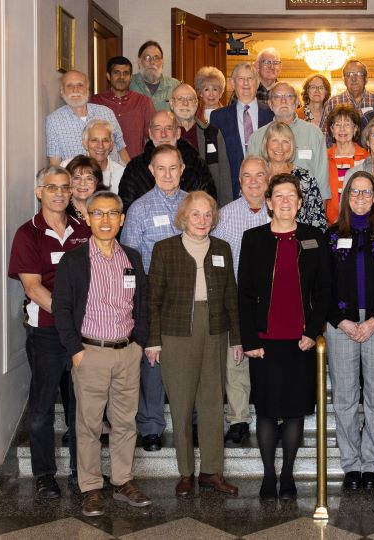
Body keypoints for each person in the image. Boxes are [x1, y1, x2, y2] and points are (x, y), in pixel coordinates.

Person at [52, 190, 150, 517]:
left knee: (125, 422)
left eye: (112, 214)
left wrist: (138, 343)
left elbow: (143, 305)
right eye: (98, 214)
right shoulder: (74, 260)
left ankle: (123, 480)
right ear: (88, 218)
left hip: (126, 352)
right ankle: (91, 487)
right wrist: (75, 352)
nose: (105, 220)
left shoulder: (132, 258)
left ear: (122, 220)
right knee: (89, 425)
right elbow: (62, 309)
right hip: (90, 353)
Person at [238, 174, 330, 501]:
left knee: (293, 411)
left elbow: (324, 293)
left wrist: (312, 331)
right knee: (265, 410)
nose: (286, 202)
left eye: (292, 196)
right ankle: (267, 476)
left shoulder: (314, 238)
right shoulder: (254, 239)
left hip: (300, 342)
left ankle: (288, 475)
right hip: (264, 341)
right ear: (269, 202)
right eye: (279, 196)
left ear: (301, 203)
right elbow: (245, 294)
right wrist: (249, 340)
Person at [147, 191, 241, 498]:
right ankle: (186, 472)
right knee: (182, 404)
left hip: (215, 331)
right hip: (176, 335)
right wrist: (153, 340)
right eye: (195, 214)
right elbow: (154, 299)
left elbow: (231, 297)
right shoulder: (165, 249)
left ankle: (212, 471)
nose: (202, 220)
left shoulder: (222, 248)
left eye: (207, 214)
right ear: (184, 217)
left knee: (213, 403)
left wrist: (236, 339)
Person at [7, 166, 90, 499]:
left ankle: (78, 472)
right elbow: (32, 286)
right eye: (51, 187)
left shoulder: (83, 230)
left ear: (71, 193)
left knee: (80, 406)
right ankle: (44, 476)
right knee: (42, 408)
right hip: (46, 332)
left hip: (83, 332)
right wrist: (68, 316)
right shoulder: (27, 233)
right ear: (39, 192)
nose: (59, 193)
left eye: (64, 188)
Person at [324, 171, 374, 493]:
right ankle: (351, 466)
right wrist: (342, 320)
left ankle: (371, 465)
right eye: (354, 193)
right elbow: (323, 287)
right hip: (340, 324)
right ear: (346, 198)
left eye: (366, 192)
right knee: (344, 399)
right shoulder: (331, 235)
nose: (360, 198)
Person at [121, 144, 188, 452]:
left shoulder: (195, 204)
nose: (167, 174)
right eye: (160, 169)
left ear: (182, 169)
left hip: (190, 294)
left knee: (191, 360)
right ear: (151, 171)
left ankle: (193, 421)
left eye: (173, 168)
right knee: (153, 361)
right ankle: (150, 426)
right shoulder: (138, 209)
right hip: (152, 295)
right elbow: (130, 260)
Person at [212, 156, 272, 447]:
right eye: (247, 176)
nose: (253, 182)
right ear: (239, 181)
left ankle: (271, 414)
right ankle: (238, 420)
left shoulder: (279, 214)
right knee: (235, 360)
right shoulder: (223, 217)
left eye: (259, 175)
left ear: (268, 179)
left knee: (268, 361)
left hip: (272, 303)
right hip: (235, 299)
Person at [118, 110, 216, 212]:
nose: (163, 134)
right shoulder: (135, 168)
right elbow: (126, 209)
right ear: (150, 134)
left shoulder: (197, 166)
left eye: (168, 128)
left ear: (178, 133)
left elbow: (209, 204)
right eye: (158, 129)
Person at [248, 82, 330, 201]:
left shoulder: (314, 133)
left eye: (289, 96)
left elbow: (322, 181)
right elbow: (251, 178)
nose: (283, 101)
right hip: (267, 207)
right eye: (277, 97)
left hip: (307, 208)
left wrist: (321, 215)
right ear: (270, 104)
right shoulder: (257, 137)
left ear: (297, 102)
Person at [210, 62, 274, 199]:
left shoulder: (271, 115)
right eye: (241, 79)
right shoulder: (218, 117)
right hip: (231, 189)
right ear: (233, 83)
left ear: (257, 83)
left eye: (250, 78)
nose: (246, 83)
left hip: (266, 188)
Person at [46, 70, 129, 166]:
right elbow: (55, 162)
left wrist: (133, 175)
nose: (75, 90)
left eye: (80, 85)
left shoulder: (106, 113)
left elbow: (121, 148)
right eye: (69, 86)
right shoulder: (53, 121)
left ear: (87, 88)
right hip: (78, 179)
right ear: (62, 91)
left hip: (111, 177)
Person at [170, 83, 232, 207]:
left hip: (207, 205)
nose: (185, 104)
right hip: (173, 206)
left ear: (197, 103)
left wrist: (225, 208)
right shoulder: (165, 135)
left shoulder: (211, 134)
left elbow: (224, 175)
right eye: (180, 99)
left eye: (190, 99)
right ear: (171, 103)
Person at [260, 121, 326, 232]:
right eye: (274, 140)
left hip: (300, 242)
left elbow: (317, 218)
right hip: (262, 241)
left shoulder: (305, 177)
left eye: (285, 141)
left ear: (292, 146)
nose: (279, 147)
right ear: (266, 144)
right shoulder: (256, 177)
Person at [90, 55, 155, 158]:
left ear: (131, 77)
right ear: (108, 76)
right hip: (103, 166)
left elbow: (154, 135)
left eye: (126, 73)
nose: (121, 77)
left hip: (134, 166)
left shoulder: (143, 102)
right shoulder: (95, 102)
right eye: (117, 73)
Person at [325, 104, 369, 223]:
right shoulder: (323, 158)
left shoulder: (367, 158)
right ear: (331, 130)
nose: (342, 129)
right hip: (331, 224)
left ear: (355, 129)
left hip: (362, 221)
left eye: (347, 124)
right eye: (338, 125)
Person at [321, 60, 374, 144]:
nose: (354, 78)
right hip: (340, 154)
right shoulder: (332, 103)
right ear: (344, 80)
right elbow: (324, 136)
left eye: (358, 74)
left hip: (372, 155)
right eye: (349, 74)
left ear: (366, 79)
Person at [74, 120, 125, 193]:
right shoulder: (70, 168)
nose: (100, 146)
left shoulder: (122, 174)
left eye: (105, 140)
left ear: (111, 145)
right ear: (85, 144)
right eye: (94, 140)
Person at [130, 40, 180, 112]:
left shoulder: (175, 85)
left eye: (156, 58)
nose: (152, 62)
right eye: (147, 58)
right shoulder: (129, 83)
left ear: (162, 62)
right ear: (139, 61)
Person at [65, 156, 103, 221]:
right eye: (77, 178)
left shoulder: (106, 206)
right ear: (68, 182)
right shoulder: (62, 210)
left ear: (97, 182)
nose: (82, 183)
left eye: (89, 178)